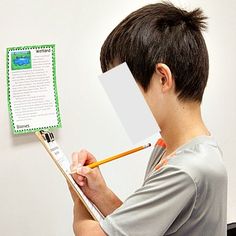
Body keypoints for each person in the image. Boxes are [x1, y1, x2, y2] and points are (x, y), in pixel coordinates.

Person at [69, 2, 227, 235]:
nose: (122, 105)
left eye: (124, 89)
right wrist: (99, 193)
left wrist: (79, 199)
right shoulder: (171, 149)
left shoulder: (187, 170)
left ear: (162, 78)